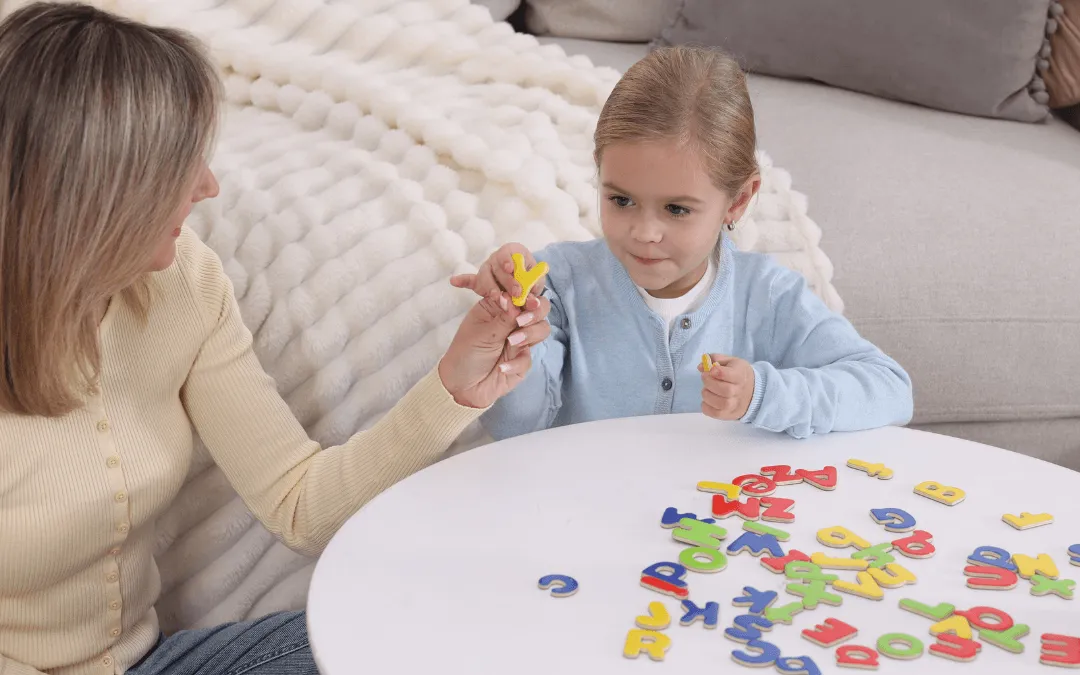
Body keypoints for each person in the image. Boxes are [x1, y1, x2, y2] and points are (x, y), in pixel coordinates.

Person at [0, 3, 550, 674]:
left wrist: (456, 384)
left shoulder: (185, 283)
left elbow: (301, 501)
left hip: (148, 664)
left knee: (412, 624)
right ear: (102, 194)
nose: (208, 187)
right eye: (181, 168)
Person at [453, 46, 913, 441]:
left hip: (716, 532)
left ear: (738, 200)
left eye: (676, 209)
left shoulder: (767, 297)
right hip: (586, 518)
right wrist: (508, 342)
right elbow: (516, 430)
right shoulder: (560, 284)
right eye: (621, 199)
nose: (644, 232)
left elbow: (889, 390)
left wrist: (765, 395)